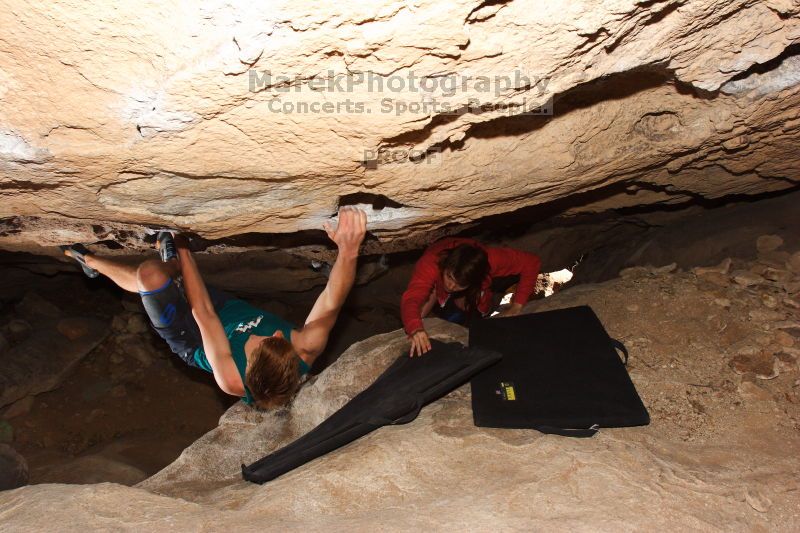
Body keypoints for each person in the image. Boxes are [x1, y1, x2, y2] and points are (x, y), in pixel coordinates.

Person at [60, 207, 368, 409]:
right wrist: (349, 249)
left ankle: (90, 262)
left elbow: (202, 312)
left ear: (249, 364)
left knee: (150, 277)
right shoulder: (305, 346)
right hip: (227, 309)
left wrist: (181, 244)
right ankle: (169, 266)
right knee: (171, 277)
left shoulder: (231, 377)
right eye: (282, 339)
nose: (277, 331)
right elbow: (332, 299)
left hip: (191, 337)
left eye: (270, 340)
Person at [401, 237, 541, 357]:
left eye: (459, 285)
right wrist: (415, 328)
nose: (451, 286)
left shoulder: (491, 261)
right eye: (449, 278)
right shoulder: (431, 262)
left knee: (472, 305)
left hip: (472, 284)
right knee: (419, 312)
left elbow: (531, 262)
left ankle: (476, 311)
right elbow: (412, 297)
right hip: (437, 274)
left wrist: (517, 304)